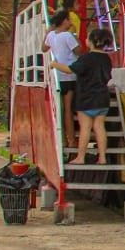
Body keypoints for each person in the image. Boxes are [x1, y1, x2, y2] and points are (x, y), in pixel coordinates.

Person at [52, 28, 114, 166]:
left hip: (86, 99)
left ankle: (80, 157)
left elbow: (70, 70)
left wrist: (54, 64)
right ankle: (102, 157)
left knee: (85, 128)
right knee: (99, 127)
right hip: (102, 99)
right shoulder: (106, 59)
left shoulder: (86, 58)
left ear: (92, 42)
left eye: (87, 38)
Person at [44, 9, 81, 149]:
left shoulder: (52, 35)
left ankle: (63, 140)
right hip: (69, 76)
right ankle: (71, 140)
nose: (70, 22)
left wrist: (48, 31)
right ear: (64, 21)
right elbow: (79, 51)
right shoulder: (67, 36)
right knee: (68, 110)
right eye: (69, 20)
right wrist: (74, 35)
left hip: (57, 76)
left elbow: (44, 48)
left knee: (59, 109)